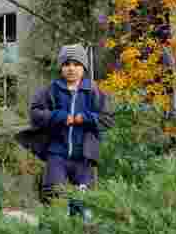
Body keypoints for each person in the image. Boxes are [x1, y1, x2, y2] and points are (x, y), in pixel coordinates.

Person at [19, 44, 111, 219]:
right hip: (57, 154)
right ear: (61, 67)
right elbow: (35, 114)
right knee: (53, 196)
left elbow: (107, 119)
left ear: (83, 68)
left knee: (83, 204)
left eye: (76, 64)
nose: (71, 68)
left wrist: (83, 118)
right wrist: (60, 117)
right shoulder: (51, 90)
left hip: (83, 158)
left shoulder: (93, 91)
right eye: (67, 64)